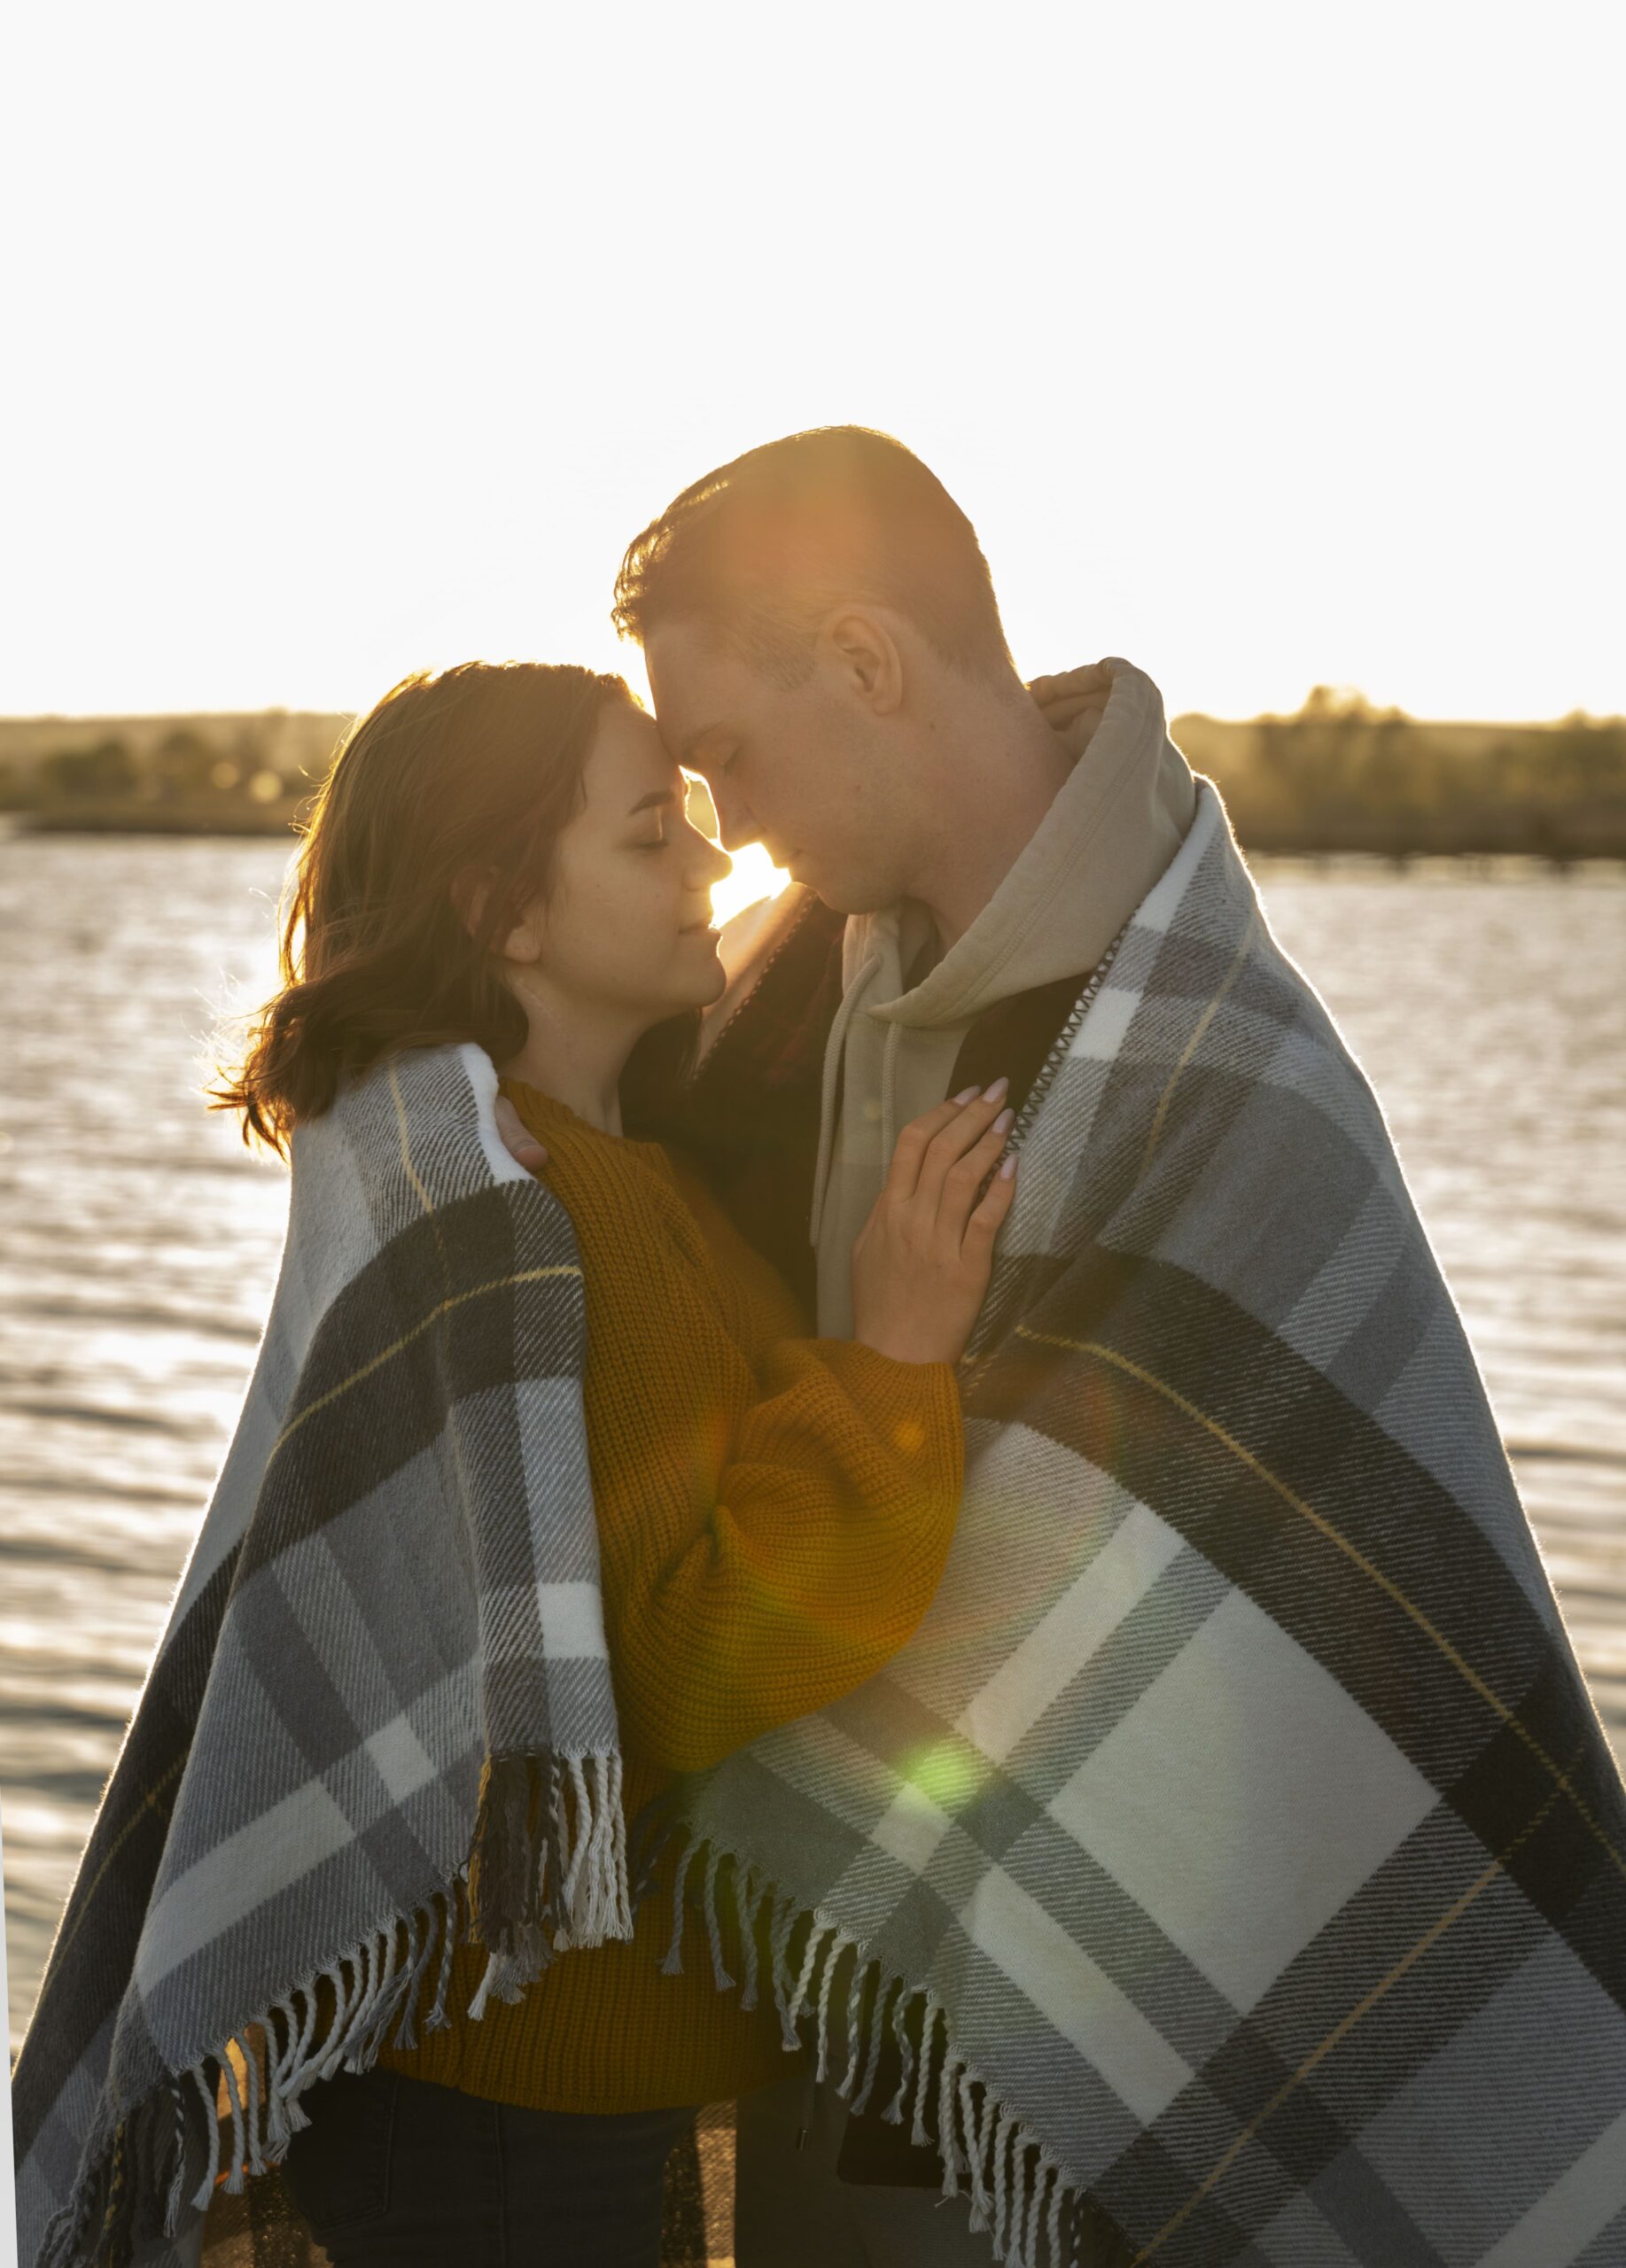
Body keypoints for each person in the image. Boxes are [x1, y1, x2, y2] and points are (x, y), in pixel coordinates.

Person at [494, 427, 1626, 2266]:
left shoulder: (1230, 1081)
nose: (730, 825)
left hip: (1122, 2064)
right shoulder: (779, 979)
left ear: (865, 660)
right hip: (823, 2012)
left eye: (730, 756)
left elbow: (1350, 1636)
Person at [11, 656, 1045, 2268]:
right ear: (505, 915)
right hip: (514, 2111)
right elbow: (682, 1666)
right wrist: (899, 1369)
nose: (715, 858)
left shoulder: (551, 1171)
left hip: (500, 2077)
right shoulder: (549, 1219)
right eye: (650, 833)